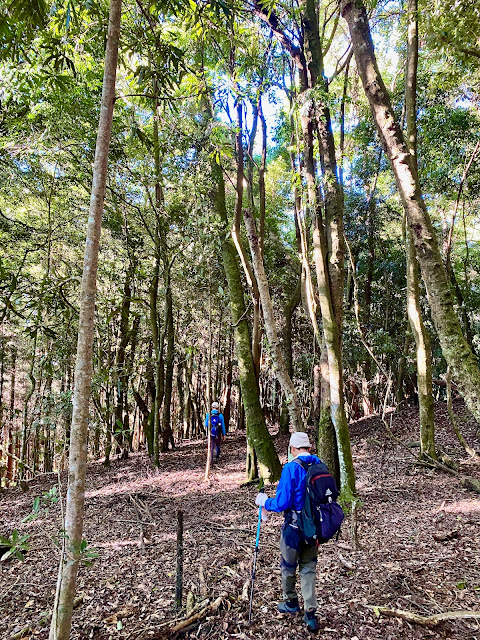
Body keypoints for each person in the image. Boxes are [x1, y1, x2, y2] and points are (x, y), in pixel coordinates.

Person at [255, 432, 320, 632]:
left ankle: (291, 602)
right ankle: (310, 614)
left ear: (292, 449)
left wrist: (264, 502)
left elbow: (282, 502)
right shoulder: (319, 466)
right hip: (313, 529)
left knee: (288, 566)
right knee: (308, 568)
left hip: (293, 529)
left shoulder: (291, 468)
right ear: (308, 448)